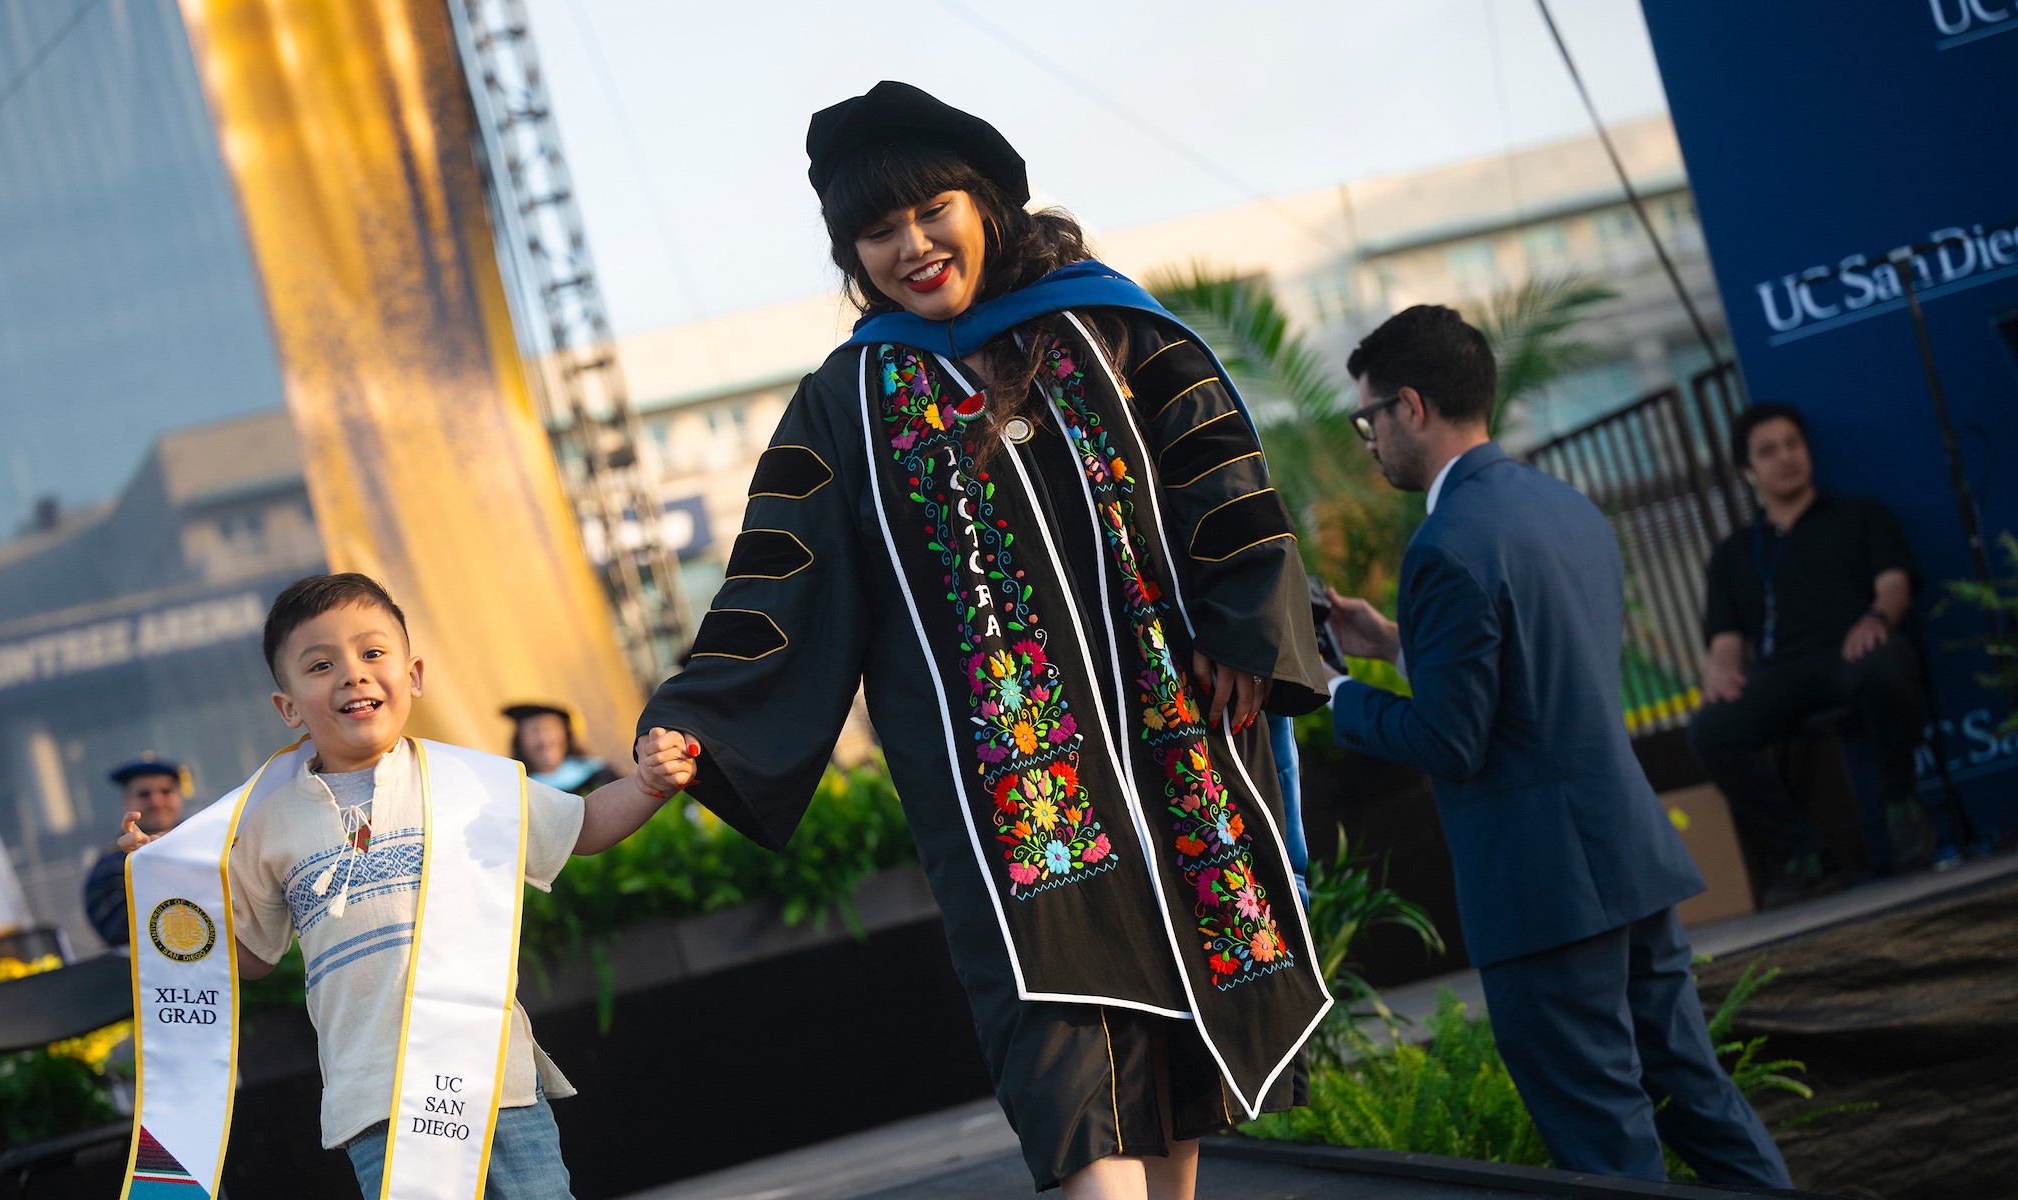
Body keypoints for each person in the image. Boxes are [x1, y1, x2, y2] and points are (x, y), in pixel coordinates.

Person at [636, 82, 1330, 1198]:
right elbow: (781, 573)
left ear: (988, 202)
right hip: (1009, 789)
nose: (911, 247)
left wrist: (1246, 630)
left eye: (931, 210)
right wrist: (697, 716)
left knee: (1180, 1038)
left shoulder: (1106, 328)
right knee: (1059, 1037)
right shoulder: (850, 399)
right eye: (877, 231)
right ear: (850, 254)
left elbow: (1219, 472)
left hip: (1171, 735)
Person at [1322, 306, 1789, 1186]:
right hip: (1628, 859)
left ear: (1411, 407)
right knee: (1699, 1097)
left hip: (1544, 893)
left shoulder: (1443, 547)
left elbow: (1449, 740)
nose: (1368, 441)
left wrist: (1337, 691)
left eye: (1369, 419)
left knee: (1603, 1143)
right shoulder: (1564, 508)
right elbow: (1541, 668)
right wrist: (1397, 642)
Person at [120, 573, 696, 1199]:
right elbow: (254, 958)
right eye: (320, 665)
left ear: (414, 676)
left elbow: (581, 827)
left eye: (372, 654)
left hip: (491, 1079)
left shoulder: (471, 782)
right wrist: (172, 892)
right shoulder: (265, 823)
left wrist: (646, 785)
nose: (353, 675)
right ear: (287, 707)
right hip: (374, 1101)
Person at [1688, 402, 1933, 899]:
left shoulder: (1862, 515)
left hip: (1854, 656)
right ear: (1747, 470)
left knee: (1887, 661)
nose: (1785, 458)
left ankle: (1901, 809)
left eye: (1793, 444)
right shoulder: (1734, 552)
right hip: (1783, 674)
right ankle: (1805, 851)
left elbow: (1895, 585)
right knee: (1710, 727)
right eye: (1768, 451)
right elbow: (1726, 641)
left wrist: (1875, 619)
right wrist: (1720, 672)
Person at [83, 756, 185, 946]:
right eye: (144, 794)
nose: (156, 801)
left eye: (166, 791)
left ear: (179, 796)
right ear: (126, 801)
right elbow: (118, 931)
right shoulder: (110, 866)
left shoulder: (208, 843)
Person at [503, 702, 621, 793]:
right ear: (519, 741)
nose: (544, 739)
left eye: (550, 729)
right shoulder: (518, 792)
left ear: (566, 735)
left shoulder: (598, 773)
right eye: (534, 731)